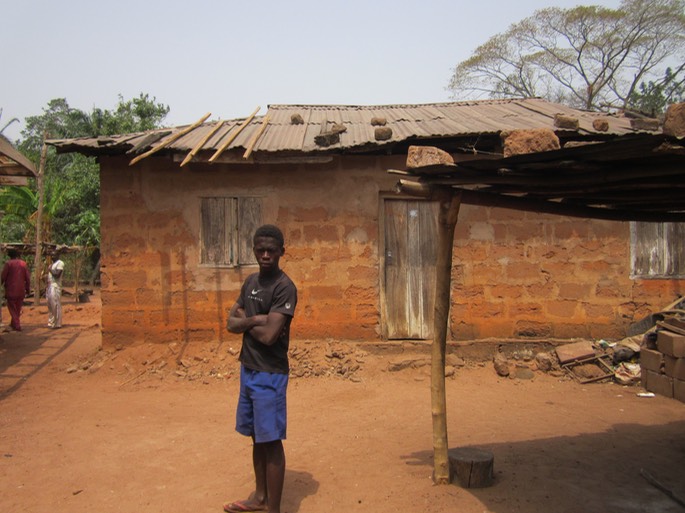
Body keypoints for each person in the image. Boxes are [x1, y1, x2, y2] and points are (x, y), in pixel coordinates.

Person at [224, 224, 297, 513]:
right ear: (254, 250)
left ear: (281, 252)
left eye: (271, 250)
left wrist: (247, 320)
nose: (265, 255)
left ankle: (273, 509)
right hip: (249, 368)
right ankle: (259, 497)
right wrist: (257, 320)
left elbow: (270, 337)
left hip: (270, 373)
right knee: (256, 435)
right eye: (260, 250)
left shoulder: (284, 287)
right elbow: (231, 322)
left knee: (272, 440)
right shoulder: (251, 282)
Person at [1, 249, 31, 331]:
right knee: (18, 308)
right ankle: (13, 324)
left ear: (9, 256)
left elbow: (3, 276)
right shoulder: (23, 263)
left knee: (12, 308)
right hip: (21, 290)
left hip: (11, 289)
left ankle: (17, 325)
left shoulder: (8, 264)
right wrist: (28, 288)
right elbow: (27, 278)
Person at [46, 250, 65, 329]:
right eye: (52, 255)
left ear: (58, 255)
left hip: (55, 286)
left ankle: (57, 323)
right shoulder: (52, 264)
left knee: (55, 304)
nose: (53, 257)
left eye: (54, 255)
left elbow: (57, 275)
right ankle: (51, 322)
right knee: (50, 304)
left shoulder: (60, 263)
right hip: (50, 285)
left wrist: (50, 270)